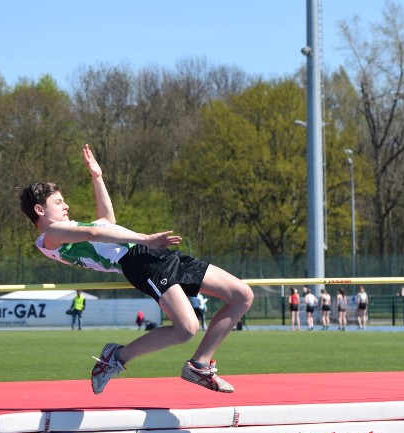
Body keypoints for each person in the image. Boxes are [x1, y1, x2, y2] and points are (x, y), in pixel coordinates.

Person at [18, 143, 253, 395]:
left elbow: (107, 222)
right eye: (59, 202)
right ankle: (116, 356)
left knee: (242, 295)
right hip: (138, 260)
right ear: (40, 210)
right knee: (187, 329)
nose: (66, 206)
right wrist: (145, 239)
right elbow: (96, 231)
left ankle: (200, 364)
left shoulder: (66, 228)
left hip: (155, 254)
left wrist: (97, 177)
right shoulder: (51, 235)